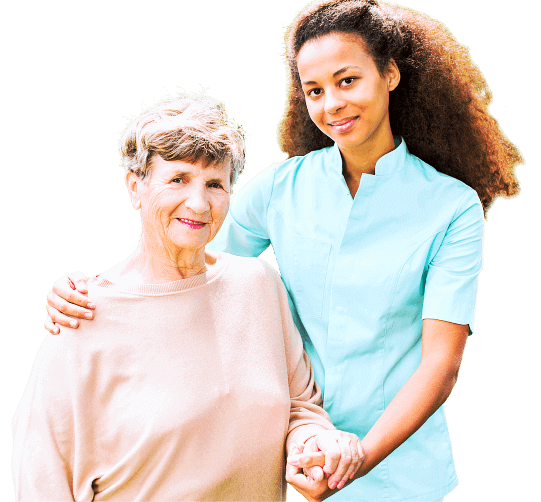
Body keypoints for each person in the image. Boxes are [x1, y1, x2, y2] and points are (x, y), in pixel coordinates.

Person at [40, 0, 525, 501]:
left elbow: (441, 364)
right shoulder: (280, 187)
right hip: (285, 463)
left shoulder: (452, 208)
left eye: (347, 80)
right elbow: (183, 264)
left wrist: (358, 458)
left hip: (399, 476)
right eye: (313, 90)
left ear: (391, 74)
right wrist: (94, 292)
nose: (331, 104)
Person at [12, 91, 365, 501]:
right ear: (135, 187)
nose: (198, 204)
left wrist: (314, 445)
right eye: (178, 179)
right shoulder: (80, 318)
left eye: (214, 184)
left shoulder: (259, 286)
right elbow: (42, 479)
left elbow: (301, 407)